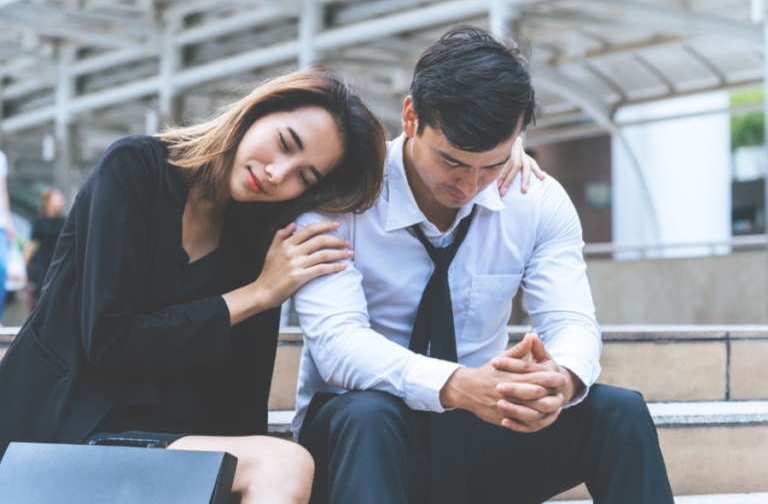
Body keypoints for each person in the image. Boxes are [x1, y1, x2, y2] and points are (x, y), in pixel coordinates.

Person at [0, 69, 538, 503]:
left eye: (305, 175)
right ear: (258, 110)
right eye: (285, 143)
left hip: (158, 449)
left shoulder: (261, 238)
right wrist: (257, 294)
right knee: (283, 461)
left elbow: (239, 399)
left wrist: (490, 158)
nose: (279, 173)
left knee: (281, 463)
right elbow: (108, 341)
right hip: (56, 432)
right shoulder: (136, 168)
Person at [291, 27, 674, 504]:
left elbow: (572, 321)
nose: (470, 185)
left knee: (618, 411)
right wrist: (454, 384)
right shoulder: (341, 201)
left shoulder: (535, 201)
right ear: (411, 117)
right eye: (452, 160)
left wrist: (561, 379)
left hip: (477, 431)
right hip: (359, 443)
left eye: (490, 165)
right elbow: (337, 344)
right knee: (371, 414)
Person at [24, 187, 67, 310]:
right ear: (47, 201)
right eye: (58, 198)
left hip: (60, 264)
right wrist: (22, 270)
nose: (62, 201)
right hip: (43, 265)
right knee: (43, 297)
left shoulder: (66, 221)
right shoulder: (39, 222)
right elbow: (31, 246)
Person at [0, 149, 16, 323]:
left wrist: (9, 220)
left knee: (2, 270)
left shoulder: (1, 157)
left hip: (0, 224)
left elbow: (2, 191)